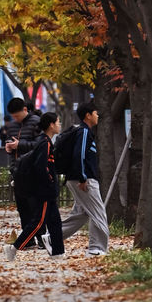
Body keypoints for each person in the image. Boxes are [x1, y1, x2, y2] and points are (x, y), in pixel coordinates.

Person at [4, 112, 65, 260]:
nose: (59, 124)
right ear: (51, 124)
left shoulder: (45, 141)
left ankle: (58, 252)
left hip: (47, 191)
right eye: (58, 122)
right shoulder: (45, 143)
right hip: (44, 191)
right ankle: (13, 248)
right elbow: (41, 166)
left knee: (55, 222)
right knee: (38, 222)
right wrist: (50, 181)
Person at [60, 101, 109, 257]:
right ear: (88, 115)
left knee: (81, 214)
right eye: (95, 112)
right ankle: (96, 249)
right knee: (98, 213)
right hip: (83, 180)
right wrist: (82, 177)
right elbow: (79, 155)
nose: (98, 115)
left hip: (78, 179)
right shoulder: (84, 132)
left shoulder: (85, 132)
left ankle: (53, 237)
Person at [4, 97, 42, 247]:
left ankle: (41, 237)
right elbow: (10, 144)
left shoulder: (37, 122)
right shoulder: (12, 126)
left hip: (33, 171)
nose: (15, 119)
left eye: (17, 116)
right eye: (13, 116)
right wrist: (8, 147)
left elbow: (40, 145)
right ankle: (28, 239)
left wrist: (20, 145)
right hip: (17, 171)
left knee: (35, 207)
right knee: (23, 208)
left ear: (25, 110)